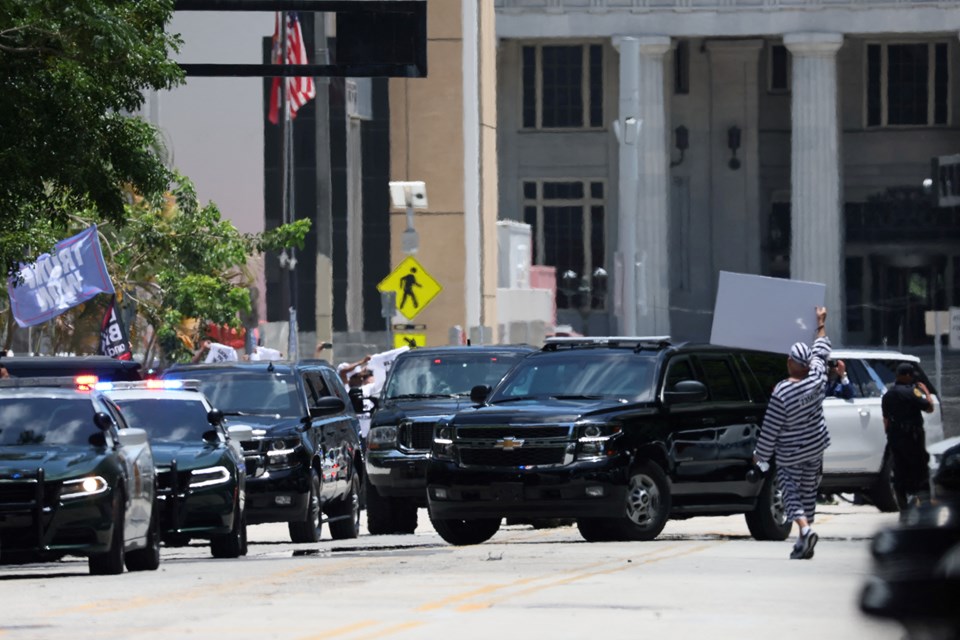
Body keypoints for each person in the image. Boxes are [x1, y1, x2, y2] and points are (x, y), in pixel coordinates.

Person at [753, 306, 832, 560]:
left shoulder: (782, 392)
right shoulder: (818, 377)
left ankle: (805, 529)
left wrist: (760, 457)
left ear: (791, 363)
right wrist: (820, 322)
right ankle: (803, 542)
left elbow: (770, 430)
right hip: (815, 449)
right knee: (809, 491)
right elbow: (822, 349)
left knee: (790, 494)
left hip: (791, 454)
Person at [881, 362, 935, 513]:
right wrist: (926, 392)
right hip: (913, 438)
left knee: (900, 472)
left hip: (895, 438)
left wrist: (891, 438)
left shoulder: (888, 395)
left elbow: (885, 420)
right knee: (920, 470)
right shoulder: (913, 392)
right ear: (907, 376)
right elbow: (929, 408)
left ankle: (903, 508)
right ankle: (926, 507)